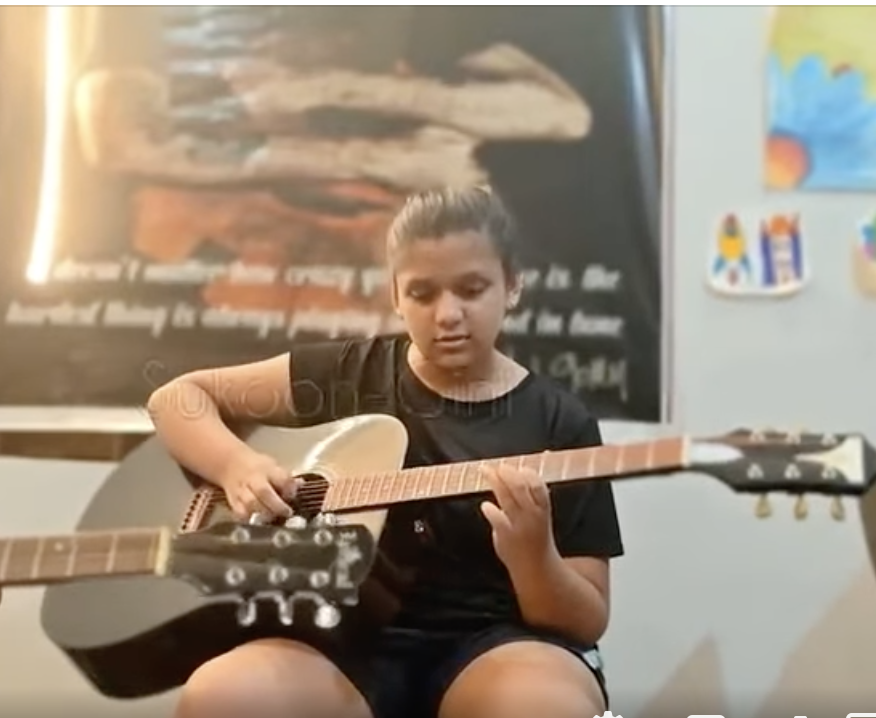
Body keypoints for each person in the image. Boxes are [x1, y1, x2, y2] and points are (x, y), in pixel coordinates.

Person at [147, 185, 624, 718]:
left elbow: (586, 618)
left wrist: (534, 558)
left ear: (512, 286)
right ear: (395, 295)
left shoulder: (561, 422)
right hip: (337, 640)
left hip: (497, 643)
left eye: (471, 289)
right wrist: (237, 466)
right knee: (226, 697)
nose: (448, 314)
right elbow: (177, 399)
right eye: (423, 293)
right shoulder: (343, 376)